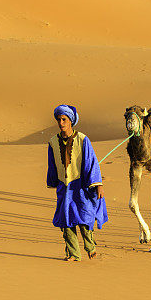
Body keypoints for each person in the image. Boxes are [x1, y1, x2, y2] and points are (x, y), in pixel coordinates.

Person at [46, 104, 108, 261]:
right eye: (59, 120)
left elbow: (92, 162)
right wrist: (53, 181)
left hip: (80, 185)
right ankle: (74, 253)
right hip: (63, 187)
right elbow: (52, 164)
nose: (61, 123)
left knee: (84, 217)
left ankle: (90, 247)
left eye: (64, 119)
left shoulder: (82, 139)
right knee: (66, 220)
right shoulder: (53, 142)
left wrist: (98, 184)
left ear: (70, 121)